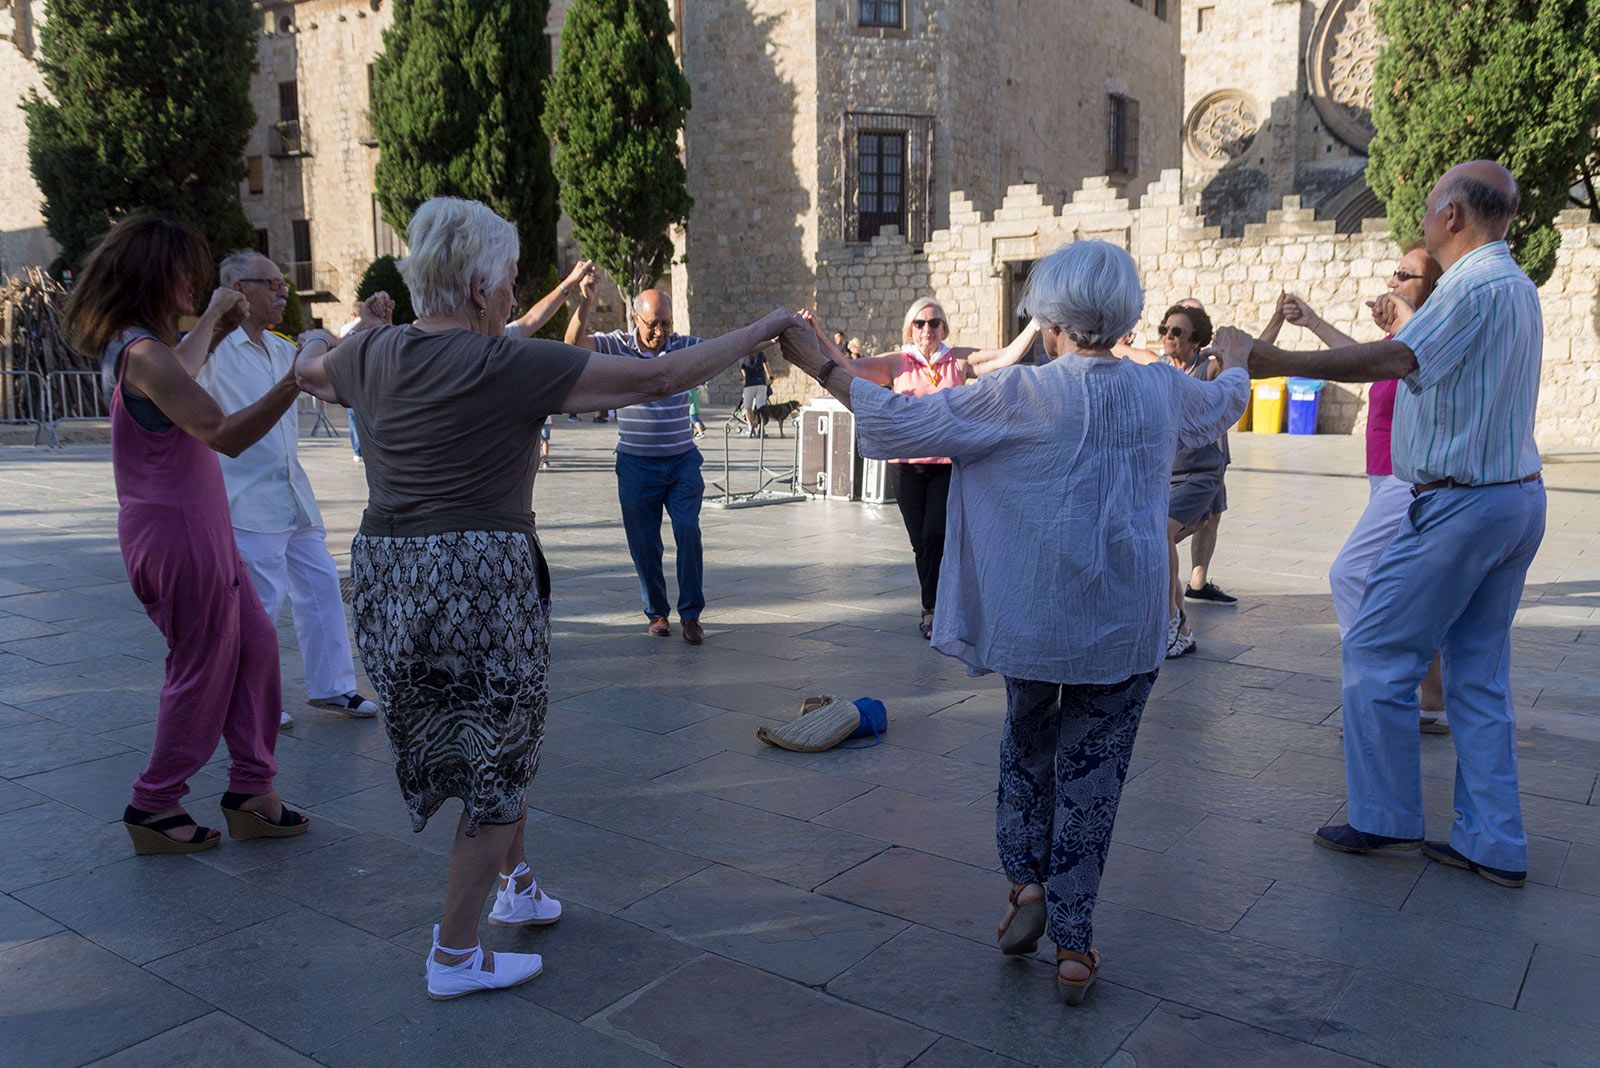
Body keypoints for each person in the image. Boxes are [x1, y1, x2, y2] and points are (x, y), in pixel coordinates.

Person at [295, 196, 802, 999]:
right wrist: (766, 327)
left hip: (387, 580)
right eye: (507, 279)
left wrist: (326, 333)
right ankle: (455, 954)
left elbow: (309, 368)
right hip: (478, 580)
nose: (512, 291)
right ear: (475, 288)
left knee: (496, 742)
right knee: (496, 763)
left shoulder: (375, 352)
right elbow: (659, 377)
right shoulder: (505, 364)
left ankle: (517, 883)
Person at [779, 241, 1249, 1005]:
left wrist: (820, 364)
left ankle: (1026, 884)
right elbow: (1222, 405)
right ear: (1126, 312)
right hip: (1125, 622)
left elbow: (898, 425)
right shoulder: (1161, 388)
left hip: (1039, 618)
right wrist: (1238, 359)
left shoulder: (1017, 394)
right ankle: (1075, 943)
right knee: (1095, 776)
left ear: (1050, 316)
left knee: (1027, 740)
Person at [1236, 161, 1544, 887]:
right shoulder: (1515, 285)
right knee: (1478, 675)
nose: (1427, 216)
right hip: (1513, 498)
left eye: (1432, 205)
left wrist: (1272, 359)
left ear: (1453, 216)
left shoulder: (1471, 285)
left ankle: (1384, 817)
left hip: (1461, 504)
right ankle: (1493, 842)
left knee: (1375, 647)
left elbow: (1398, 358)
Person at [64, 212, 310, 855]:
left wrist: (215, 324)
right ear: (155, 274)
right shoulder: (145, 354)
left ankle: (252, 788)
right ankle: (155, 803)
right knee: (203, 668)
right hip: (178, 537)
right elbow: (221, 432)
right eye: (184, 271)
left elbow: (185, 362)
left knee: (255, 648)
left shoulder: (143, 346)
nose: (194, 282)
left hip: (197, 528)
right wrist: (295, 378)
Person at [1264, 245, 1449, 733]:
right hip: (1385, 478)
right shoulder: (1402, 337)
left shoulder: (1429, 335)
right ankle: (1433, 698)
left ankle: (1374, 685)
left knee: (1350, 574)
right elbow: (1358, 358)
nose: (1392, 281)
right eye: (1394, 273)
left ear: (1431, 287)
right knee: (1410, 588)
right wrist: (1313, 321)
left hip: (1406, 480)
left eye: (1405, 275)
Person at [200, 251, 383, 731]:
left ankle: (332, 686)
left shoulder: (281, 349)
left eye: (283, 284)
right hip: (246, 500)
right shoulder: (213, 352)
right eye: (273, 284)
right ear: (239, 290)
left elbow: (332, 360)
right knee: (259, 605)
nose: (284, 292)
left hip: (293, 496)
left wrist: (366, 327)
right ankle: (251, 699)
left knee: (321, 587)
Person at [808, 299, 1039, 639]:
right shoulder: (898, 362)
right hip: (906, 468)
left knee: (935, 535)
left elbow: (1007, 356)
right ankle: (937, 602)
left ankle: (932, 610)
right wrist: (816, 333)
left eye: (934, 322)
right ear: (910, 328)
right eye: (920, 323)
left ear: (943, 328)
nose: (927, 329)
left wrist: (1036, 321)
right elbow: (848, 366)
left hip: (946, 466)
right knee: (921, 543)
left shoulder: (957, 360)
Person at [567, 283, 766, 645]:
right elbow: (573, 344)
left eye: (667, 324)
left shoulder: (684, 346)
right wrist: (585, 302)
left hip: (681, 462)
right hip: (635, 463)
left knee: (688, 530)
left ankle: (691, 615)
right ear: (635, 318)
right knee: (644, 543)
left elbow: (727, 347)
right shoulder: (617, 345)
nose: (660, 332)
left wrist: (774, 331)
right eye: (653, 324)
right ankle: (657, 611)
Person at [1157, 303, 1232, 658]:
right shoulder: (1160, 368)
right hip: (1166, 472)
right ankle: (1179, 624)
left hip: (1201, 472)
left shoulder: (1208, 368)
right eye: (1165, 329)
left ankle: (1176, 622)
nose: (1168, 336)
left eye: (1177, 332)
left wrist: (1231, 353)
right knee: (1158, 540)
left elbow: (1244, 368)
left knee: (1163, 533)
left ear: (1195, 340)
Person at [739, 345, 773, 435]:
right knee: (761, 407)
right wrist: (769, 376)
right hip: (761, 384)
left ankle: (751, 429)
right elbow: (766, 365)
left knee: (748, 407)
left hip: (749, 384)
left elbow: (743, 371)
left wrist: (743, 380)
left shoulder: (743, 355)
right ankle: (761, 429)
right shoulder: (760, 353)